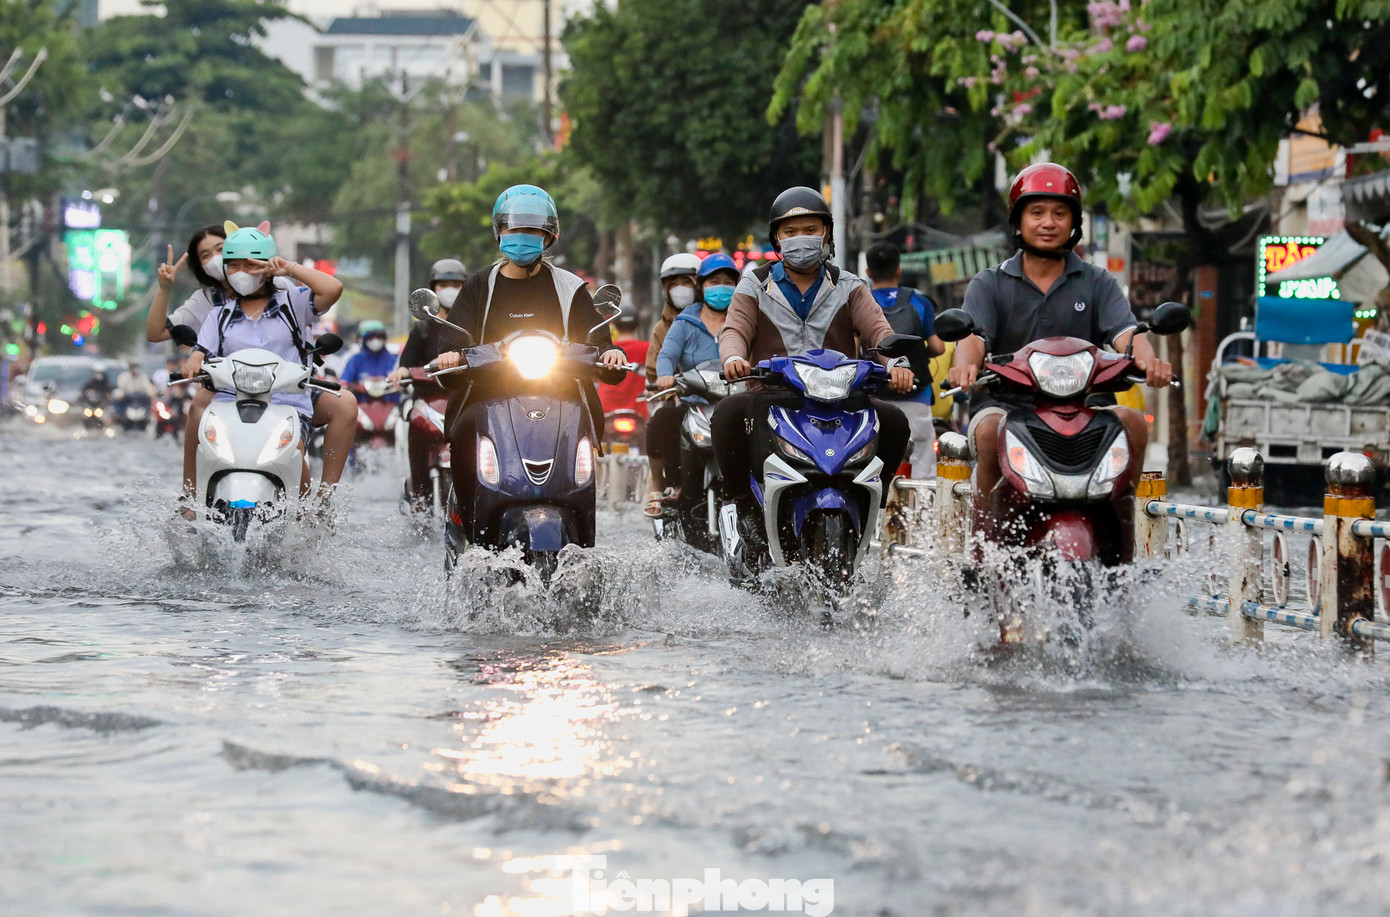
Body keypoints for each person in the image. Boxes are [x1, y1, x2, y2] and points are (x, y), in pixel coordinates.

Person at [945, 162, 1173, 522]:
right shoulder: (989, 283)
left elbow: (1127, 332)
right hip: (1007, 406)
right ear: (1019, 220)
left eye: (1059, 213)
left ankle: (1123, 531)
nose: (1048, 223)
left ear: (1074, 222)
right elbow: (974, 337)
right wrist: (965, 366)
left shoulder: (1098, 282)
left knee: (1131, 421)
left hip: (1089, 408)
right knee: (989, 431)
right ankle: (984, 535)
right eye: (1036, 212)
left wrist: (1149, 360)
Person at [716, 187, 915, 517]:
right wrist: (734, 358)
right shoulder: (754, 284)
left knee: (894, 421)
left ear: (826, 234)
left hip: (842, 396)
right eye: (790, 232)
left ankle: (872, 504)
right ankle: (740, 504)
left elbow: (879, 331)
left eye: (810, 230)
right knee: (727, 413)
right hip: (773, 393)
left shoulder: (850, 286)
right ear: (777, 238)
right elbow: (735, 330)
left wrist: (897, 362)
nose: (801, 238)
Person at [145, 223, 356, 513]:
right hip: (231, 402)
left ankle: (318, 506)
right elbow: (199, 351)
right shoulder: (218, 313)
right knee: (202, 419)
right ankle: (193, 499)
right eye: (233, 265)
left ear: (267, 265)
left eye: (250, 264)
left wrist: (288, 268)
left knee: (295, 451)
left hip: (288, 403)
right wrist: (192, 363)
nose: (241, 272)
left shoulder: (292, 302)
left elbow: (333, 289)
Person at [435, 184, 627, 472]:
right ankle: (466, 502)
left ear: (548, 237)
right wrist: (451, 357)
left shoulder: (571, 288)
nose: (521, 236)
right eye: (513, 229)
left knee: (581, 443)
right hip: (488, 397)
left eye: (532, 230)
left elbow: (597, 341)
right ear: (499, 233)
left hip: (562, 397)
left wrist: (611, 353)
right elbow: (453, 341)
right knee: (462, 436)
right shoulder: (479, 286)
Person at [644, 252, 737, 516]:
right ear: (702, 286)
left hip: (734, 403)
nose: (721, 288)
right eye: (714, 282)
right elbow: (666, 355)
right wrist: (665, 376)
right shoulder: (684, 321)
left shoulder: (742, 318)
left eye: (728, 282)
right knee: (663, 420)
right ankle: (672, 485)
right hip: (694, 401)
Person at [389, 258, 471, 512]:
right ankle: (419, 497)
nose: (449, 290)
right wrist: (402, 372)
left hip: (465, 400)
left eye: (456, 285)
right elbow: (406, 365)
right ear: (432, 289)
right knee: (416, 422)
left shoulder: (472, 328)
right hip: (427, 401)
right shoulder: (423, 329)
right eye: (443, 285)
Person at [864, 241, 945, 477]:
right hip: (916, 393)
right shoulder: (919, 301)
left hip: (873, 395)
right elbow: (938, 347)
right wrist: (915, 354)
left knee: (875, 460)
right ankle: (921, 501)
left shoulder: (861, 301)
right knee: (921, 460)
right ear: (898, 271)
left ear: (868, 272)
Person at [645, 253, 702, 386]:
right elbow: (653, 372)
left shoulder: (717, 319)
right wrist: (670, 391)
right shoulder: (661, 328)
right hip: (680, 394)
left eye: (686, 282)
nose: (680, 289)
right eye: (673, 284)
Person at [597, 304, 649, 421]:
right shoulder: (647, 348)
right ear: (637, 324)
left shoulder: (606, 351)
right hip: (637, 411)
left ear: (615, 324)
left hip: (606, 408)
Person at [340, 320, 398, 401]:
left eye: (379, 337)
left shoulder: (393, 360)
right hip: (361, 404)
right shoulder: (356, 360)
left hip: (390, 404)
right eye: (371, 337)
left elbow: (403, 382)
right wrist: (357, 386)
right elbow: (344, 383)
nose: (375, 340)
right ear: (364, 339)